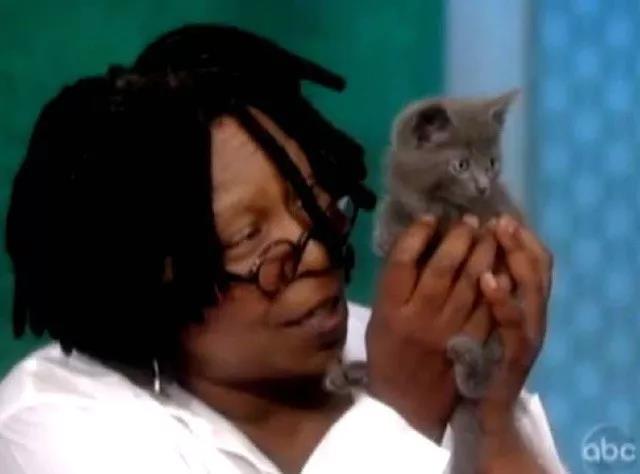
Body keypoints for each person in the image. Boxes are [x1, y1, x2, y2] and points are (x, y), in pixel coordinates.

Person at [0, 24, 566, 473]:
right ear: (147, 272)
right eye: (250, 237)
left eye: (312, 203)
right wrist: (401, 407)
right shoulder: (52, 428)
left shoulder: (405, 344)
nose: (316, 256)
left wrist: (491, 414)